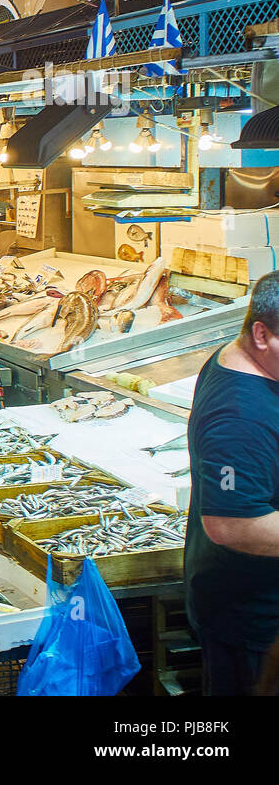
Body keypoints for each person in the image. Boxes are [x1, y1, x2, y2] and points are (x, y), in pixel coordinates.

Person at [185, 270, 279, 696]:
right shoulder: (239, 416)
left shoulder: (251, 359)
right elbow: (232, 524)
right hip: (254, 624)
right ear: (261, 333)